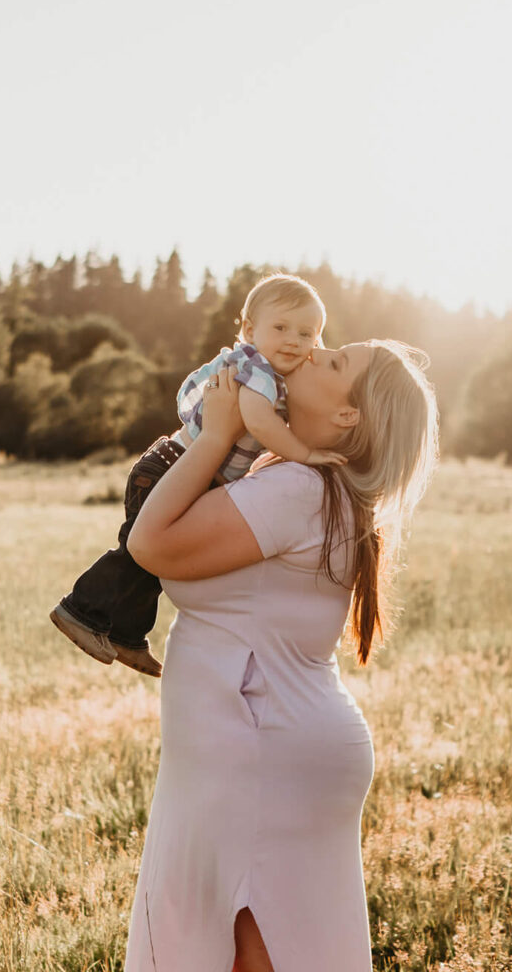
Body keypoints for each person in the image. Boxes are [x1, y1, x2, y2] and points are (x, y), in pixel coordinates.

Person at [107, 338, 440, 972]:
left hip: (262, 752)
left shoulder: (300, 490)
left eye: (332, 362)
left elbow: (151, 540)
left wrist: (221, 430)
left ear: (348, 414)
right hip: (266, 745)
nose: (312, 353)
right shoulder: (308, 484)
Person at [50, 274, 346, 678]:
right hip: (173, 467)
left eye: (307, 333)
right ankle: (81, 610)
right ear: (248, 329)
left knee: (155, 565)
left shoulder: (273, 375)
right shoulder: (255, 370)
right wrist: (306, 454)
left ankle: (126, 635)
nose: (294, 340)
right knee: (138, 556)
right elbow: (259, 422)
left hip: (178, 466)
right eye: (280, 328)